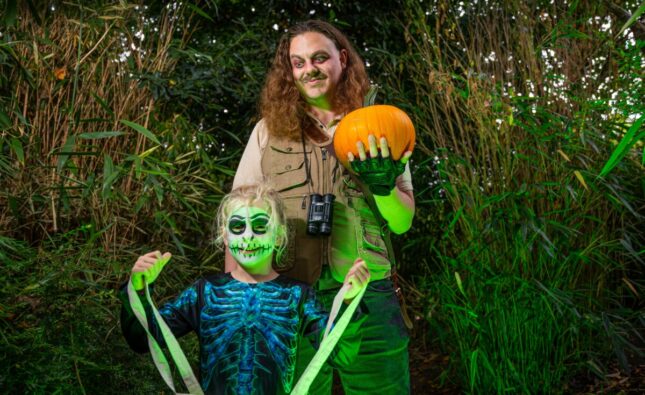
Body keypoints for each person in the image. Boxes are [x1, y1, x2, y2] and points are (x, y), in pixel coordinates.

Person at [229, 20, 415, 394]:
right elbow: (241, 215)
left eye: (319, 58)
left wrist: (383, 187)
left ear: (342, 59)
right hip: (288, 296)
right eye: (298, 63)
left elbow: (402, 222)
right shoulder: (268, 131)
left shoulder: (384, 127)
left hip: (368, 296)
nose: (309, 69)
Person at [120, 184, 370, 395]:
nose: (248, 236)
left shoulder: (297, 295)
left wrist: (349, 302)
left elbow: (340, 354)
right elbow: (143, 339)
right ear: (225, 237)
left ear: (280, 236)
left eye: (260, 226)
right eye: (238, 227)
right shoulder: (205, 291)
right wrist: (138, 289)